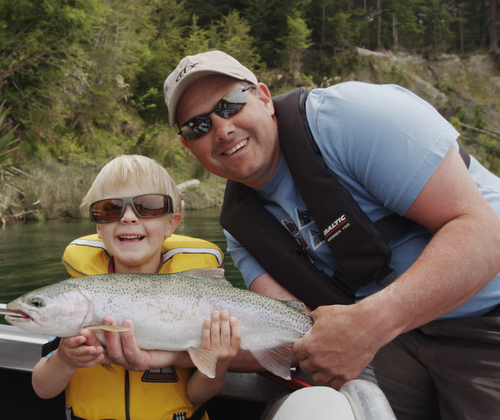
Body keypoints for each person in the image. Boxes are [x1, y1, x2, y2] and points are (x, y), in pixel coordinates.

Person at [156, 50, 500, 420]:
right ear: (188, 146)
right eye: (198, 125)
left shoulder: (353, 117)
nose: (222, 129)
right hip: (387, 344)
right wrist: (165, 353)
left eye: (230, 105)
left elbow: (486, 233)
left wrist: (372, 322)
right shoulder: (241, 229)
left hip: (484, 318)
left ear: (264, 98)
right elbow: (291, 335)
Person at [31, 154, 241, 420]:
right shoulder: (75, 302)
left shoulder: (202, 305)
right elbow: (42, 388)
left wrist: (218, 365)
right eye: (109, 209)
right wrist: (64, 359)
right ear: (98, 226)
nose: (128, 217)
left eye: (148, 206)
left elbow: (196, 396)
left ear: (171, 224)